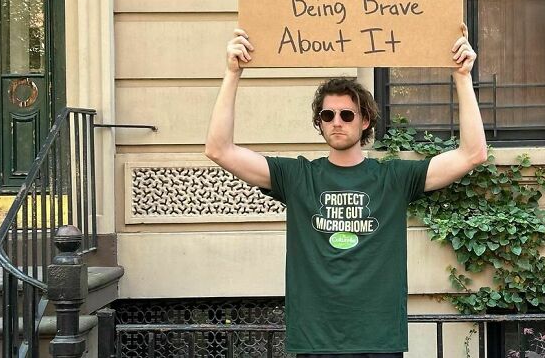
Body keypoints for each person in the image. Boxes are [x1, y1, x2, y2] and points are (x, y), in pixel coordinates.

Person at [205, 25, 487, 358]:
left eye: (347, 114)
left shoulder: (393, 179)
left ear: (365, 120)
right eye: (328, 115)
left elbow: (473, 153)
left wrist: (462, 77)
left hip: (378, 341)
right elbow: (219, 149)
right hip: (316, 341)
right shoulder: (296, 177)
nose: (337, 121)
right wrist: (232, 73)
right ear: (320, 123)